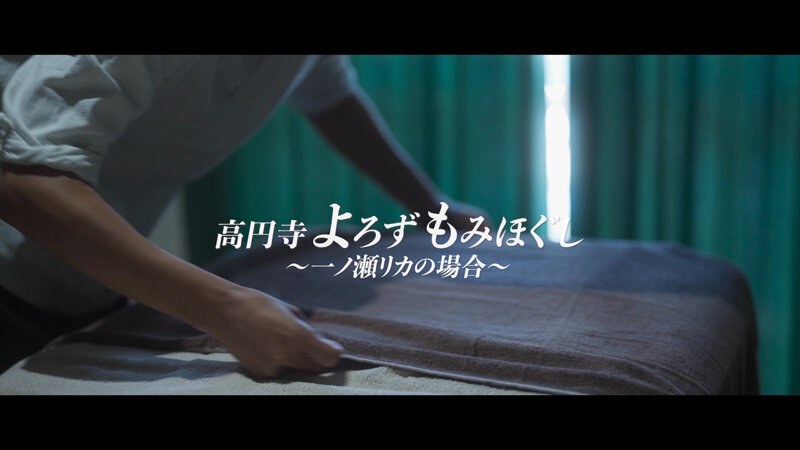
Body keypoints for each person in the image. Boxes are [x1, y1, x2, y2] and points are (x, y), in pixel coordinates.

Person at [0, 55, 488, 376]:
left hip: (91, 275)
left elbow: (333, 96)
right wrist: (225, 308)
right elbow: (26, 183)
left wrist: (432, 208)